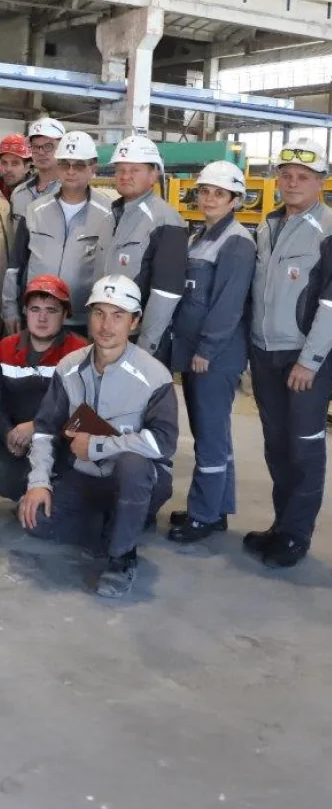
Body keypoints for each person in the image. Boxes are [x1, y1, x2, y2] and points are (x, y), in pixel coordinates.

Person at [19, 274, 178, 599]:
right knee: (35, 521)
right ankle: (120, 524)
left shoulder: (154, 376)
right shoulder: (69, 367)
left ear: (134, 322)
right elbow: (45, 429)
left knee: (133, 464)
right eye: (99, 313)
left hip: (136, 478)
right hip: (86, 477)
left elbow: (163, 442)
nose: (106, 325)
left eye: (118, 316)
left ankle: (121, 557)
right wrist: (39, 483)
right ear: (89, 316)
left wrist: (97, 445)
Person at [245, 138, 332, 569]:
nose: (293, 183)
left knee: (304, 449)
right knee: (276, 445)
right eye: (287, 175)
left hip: (304, 359)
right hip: (265, 354)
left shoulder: (328, 229)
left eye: (303, 177)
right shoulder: (268, 225)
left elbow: (331, 303)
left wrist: (309, 361)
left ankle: (297, 536)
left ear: (321, 182)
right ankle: (281, 526)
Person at [166, 162, 256, 544]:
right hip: (194, 350)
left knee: (209, 435)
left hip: (215, 354)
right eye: (205, 191)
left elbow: (228, 304)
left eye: (219, 193)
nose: (210, 198)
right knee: (211, 431)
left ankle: (202, 515)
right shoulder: (200, 236)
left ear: (235, 200)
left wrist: (207, 348)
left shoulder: (236, 242)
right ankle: (217, 508)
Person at [0, 275, 87, 503]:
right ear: (25, 311)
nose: (42, 318)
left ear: (65, 314)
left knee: (75, 477)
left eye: (51, 310)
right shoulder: (4, 349)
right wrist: (7, 434)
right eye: (35, 309)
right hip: (18, 441)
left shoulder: (80, 352)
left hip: (61, 442)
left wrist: (37, 427)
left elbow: (86, 412)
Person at [2, 129, 113, 335]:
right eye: (64, 164)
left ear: (92, 168)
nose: (70, 171)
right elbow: (15, 266)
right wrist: (10, 308)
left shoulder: (108, 215)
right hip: (37, 316)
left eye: (78, 165)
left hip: (82, 320)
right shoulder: (35, 211)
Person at [97, 133, 186, 360]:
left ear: (153, 174)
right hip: (107, 334)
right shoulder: (111, 216)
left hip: (139, 341)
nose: (125, 176)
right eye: (120, 170)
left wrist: (145, 348)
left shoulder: (165, 220)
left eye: (134, 170)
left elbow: (166, 292)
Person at [9, 117, 65, 221]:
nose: (41, 152)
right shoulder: (18, 194)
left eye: (48, 146)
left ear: (62, 148)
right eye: (35, 147)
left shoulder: (73, 193)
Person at [0, 133, 33, 203]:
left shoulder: (35, 195)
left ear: (27, 167)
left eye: (15, 164)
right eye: (4, 163)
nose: (8, 169)